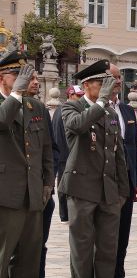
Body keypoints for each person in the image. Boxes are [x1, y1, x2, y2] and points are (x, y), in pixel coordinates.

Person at [61, 59, 130, 278]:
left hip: (109, 191)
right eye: (102, 83)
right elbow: (76, 126)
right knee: (81, 246)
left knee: (107, 248)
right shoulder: (71, 106)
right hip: (81, 188)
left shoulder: (111, 113)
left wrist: (122, 190)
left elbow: (119, 153)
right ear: (87, 84)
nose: (109, 88)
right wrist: (101, 102)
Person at [0, 52, 54, 278]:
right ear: (2, 78)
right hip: (6, 191)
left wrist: (48, 181)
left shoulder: (36, 107)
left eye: (28, 76)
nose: (24, 80)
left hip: (33, 191)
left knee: (30, 253)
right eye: (16, 76)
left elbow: (46, 148)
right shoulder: (5, 104)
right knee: (3, 253)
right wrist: (16, 94)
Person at [110, 69, 137, 278]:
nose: (118, 82)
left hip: (127, 182)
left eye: (119, 78)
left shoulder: (125, 109)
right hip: (105, 182)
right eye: (114, 78)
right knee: (104, 237)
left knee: (122, 236)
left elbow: (135, 147)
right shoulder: (96, 109)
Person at [33, 78, 62, 278]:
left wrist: (48, 181)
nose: (35, 82)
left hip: (40, 192)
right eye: (28, 77)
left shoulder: (39, 108)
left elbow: (51, 148)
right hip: (10, 192)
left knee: (39, 243)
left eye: (35, 78)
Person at [50, 85, 79, 226]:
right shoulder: (61, 110)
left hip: (72, 153)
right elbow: (57, 134)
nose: (79, 98)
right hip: (64, 153)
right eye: (77, 96)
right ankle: (64, 214)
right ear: (70, 95)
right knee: (63, 183)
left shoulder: (75, 110)